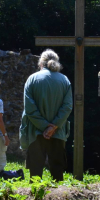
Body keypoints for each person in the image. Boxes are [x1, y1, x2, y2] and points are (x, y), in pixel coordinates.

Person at [20, 49, 73, 182]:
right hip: (58, 133)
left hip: (35, 133)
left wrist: (44, 126)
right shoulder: (64, 80)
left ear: (41, 63)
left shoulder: (32, 79)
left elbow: (29, 108)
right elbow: (67, 107)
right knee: (57, 171)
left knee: (35, 172)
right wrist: (53, 127)